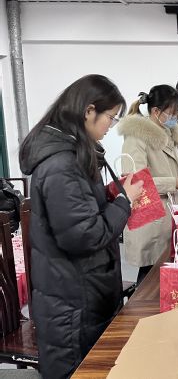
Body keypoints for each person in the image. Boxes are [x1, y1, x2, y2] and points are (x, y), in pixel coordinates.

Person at [19, 75, 144, 379]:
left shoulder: (71, 153)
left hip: (81, 290)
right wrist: (124, 202)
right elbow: (84, 236)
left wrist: (109, 198)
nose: (110, 126)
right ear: (89, 111)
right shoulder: (61, 164)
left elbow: (80, 213)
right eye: (110, 118)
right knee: (81, 371)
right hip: (73, 303)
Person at [118, 85, 178, 284]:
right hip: (151, 217)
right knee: (149, 277)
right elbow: (135, 181)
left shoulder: (168, 132)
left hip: (168, 213)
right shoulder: (136, 137)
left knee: (165, 272)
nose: (175, 118)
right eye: (172, 113)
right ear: (156, 111)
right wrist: (174, 183)